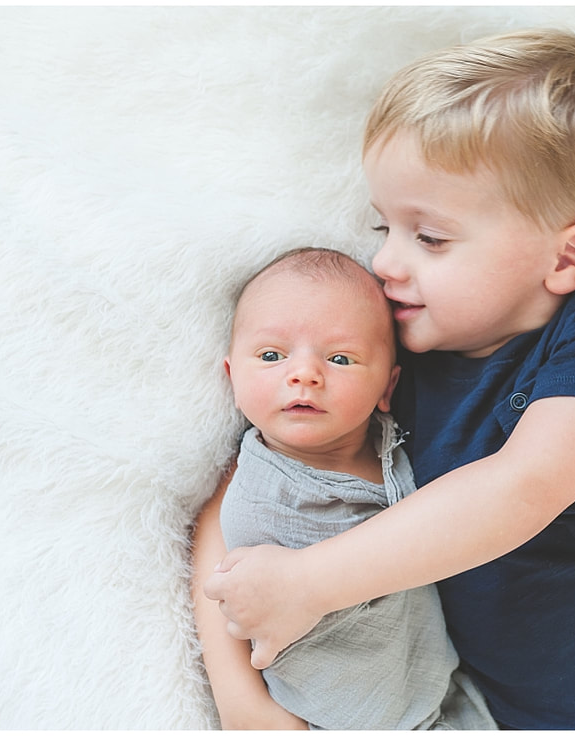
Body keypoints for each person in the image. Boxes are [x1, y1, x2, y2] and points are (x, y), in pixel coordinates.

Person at [196, 29, 575, 729]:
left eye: (430, 237)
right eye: (382, 225)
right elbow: (248, 485)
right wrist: (244, 700)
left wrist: (310, 583)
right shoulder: (390, 357)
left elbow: (521, 490)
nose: (385, 261)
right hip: (495, 713)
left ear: (568, 257)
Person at [192, 247, 495, 730]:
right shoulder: (258, 491)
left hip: (440, 699)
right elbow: (222, 589)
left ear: (387, 388)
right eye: (271, 356)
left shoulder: (400, 446)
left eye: (339, 358)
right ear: (232, 377)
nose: (304, 374)